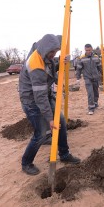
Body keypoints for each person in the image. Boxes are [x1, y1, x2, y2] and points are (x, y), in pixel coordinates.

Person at [19, 34, 81, 175]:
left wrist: (63, 61)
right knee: (40, 133)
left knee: (62, 122)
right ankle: (26, 163)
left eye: (56, 52)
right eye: (52, 52)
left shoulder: (45, 55)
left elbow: (51, 72)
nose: (54, 55)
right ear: (45, 48)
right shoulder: (35, 64)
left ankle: (64, 154)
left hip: (44, 95)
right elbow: (39, 97)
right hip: (31, 101)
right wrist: (50, 119)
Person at [75, 44, 101, 115]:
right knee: (90, 93)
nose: (88, 51)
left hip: (95, 77)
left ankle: (95, 104)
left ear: (92, 49)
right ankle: (91, 108)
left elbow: (100, 67)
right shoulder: (82, 58)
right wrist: (78, 78)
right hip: (87, 78)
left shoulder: (96, 57)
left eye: (89, 50)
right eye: (86, 50)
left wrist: (102, 76)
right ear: (85, 50)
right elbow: (79, 69)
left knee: (96, 92)